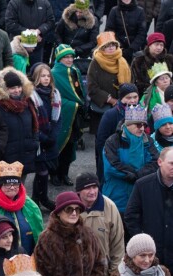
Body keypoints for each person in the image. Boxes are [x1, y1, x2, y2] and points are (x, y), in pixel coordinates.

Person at [34, 191, 106, 276]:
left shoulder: (88, 233)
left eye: (77, 209)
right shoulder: (47, 239)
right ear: (58, 212)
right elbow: (47, 274)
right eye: (68, 209)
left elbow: (100, 264)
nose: (74, 213)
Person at [0, 161, 43, 253]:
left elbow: (38, 232)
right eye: (7, 184)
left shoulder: (29, 204)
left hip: (28, 259)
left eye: (15, 184)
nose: (12, 187)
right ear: (0, 185)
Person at [103, 105, 159, 215]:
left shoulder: (148, 141)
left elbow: (155, 162)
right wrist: (134, 175)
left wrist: (137, 175)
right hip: (117, 197)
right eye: (138, 125)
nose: (142, 128)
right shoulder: (113, 141)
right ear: (128, 125)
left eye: (144, 125)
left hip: (141, 195)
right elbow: (112, 166)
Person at [125, 146, 173, 271]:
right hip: (151, 256)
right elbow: (131, 216)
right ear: (160, 162)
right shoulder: (143, 185)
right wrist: (143, 243)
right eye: (171, 163)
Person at [76, 172, 125, 276]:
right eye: (87, 188)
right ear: (78, 191)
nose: (92, 192)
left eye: (94, 187)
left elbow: (118, 245)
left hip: (103, 274)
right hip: (76, 275)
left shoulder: (110, 207)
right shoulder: (70, 208)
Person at [0, 67, 39, 176]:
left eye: (19, 87)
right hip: (8, 156)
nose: (17, 90)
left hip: (26, 151)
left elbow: (35, 126)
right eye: (12, 88)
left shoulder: (28, 103)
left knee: (22, 186)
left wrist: (35, 142)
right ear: (5, 89)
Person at [51, 44, 86, 187]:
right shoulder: (54, 73)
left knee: (70, 146)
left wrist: (82, 104)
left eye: (71, 56)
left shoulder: (75, 71)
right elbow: (54, 96)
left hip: (74, 115)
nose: (70, 59)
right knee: (58, 145)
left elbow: (79, 91)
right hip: (62, 114)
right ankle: (54, 174)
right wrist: (74, 105)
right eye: (66, 57)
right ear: (59, 58)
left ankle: (64, 173)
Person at [29, 63, 61, 210]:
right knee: (41, 170)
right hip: (39, 139)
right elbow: (31, 121)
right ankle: (38, 199)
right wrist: (42, 137)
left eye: (48, 76)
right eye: (43, 76)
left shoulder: (55, 94)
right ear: (36, 77)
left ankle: (40, 197)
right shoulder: (31, 96)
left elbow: (57, 119)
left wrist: (53, 135)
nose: (46, 79)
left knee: (45, 170)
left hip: (50, 138)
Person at [106, 233, 173, 276]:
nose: (147, 260)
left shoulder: (163, 272)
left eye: (151, 255)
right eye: (142, 255)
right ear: (133, 256)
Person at [87, 31, 132, 135]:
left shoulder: (123, 61)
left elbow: (130, 83)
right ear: (101, 48)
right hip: (102, 109)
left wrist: (125, 99)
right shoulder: (95, 63)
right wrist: (111, 100)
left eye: (113, 45)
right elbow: (92, 88)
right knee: (102, 138)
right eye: (107, 46)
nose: (111, 48)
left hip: (123, 107)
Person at [95, 83, 139, 182]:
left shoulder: (140, 112)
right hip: (114, 157)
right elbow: (101, 141)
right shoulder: (110, 115)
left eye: (135, 97)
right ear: (121, 98)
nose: (132, 100)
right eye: (128, 97)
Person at [4, 0, 55, 66]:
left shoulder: (44, 3)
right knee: (19, 74)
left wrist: (38, 31)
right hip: (19, 49)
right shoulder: (14, 3)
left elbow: (51, 21)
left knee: (36, 73)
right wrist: (30, 34)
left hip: (37, 48)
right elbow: (10, 24)